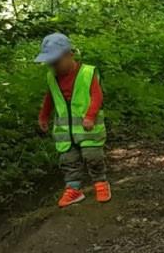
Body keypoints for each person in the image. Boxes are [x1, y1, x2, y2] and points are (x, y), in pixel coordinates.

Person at [35, 33, 109, 208]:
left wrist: (91, 116)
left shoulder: (87, 73)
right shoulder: (52, 77)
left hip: (88, 128)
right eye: (50, 63)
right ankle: (74, 188)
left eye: (56, 62)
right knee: (68, 160)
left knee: (93, 156)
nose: (53, 66)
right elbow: (50, 97)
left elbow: (97, 96)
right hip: (65, 130)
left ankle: (100, 182)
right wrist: (44, 116)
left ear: (69, 55)